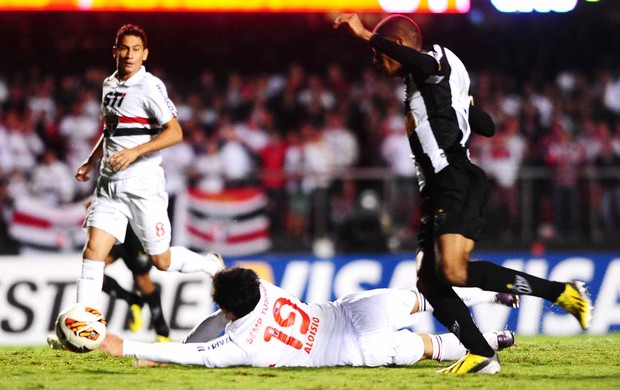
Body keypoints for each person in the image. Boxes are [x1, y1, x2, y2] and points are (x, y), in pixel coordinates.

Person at [333, 14, 592, 374]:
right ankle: (481, 353)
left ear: (402, 45)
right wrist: (462, 105)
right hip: (439, 187)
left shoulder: (434, 58)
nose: (376, 59)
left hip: (453, 179)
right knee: (429, 281)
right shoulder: (438, 83)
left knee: (453, 271)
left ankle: (562, 292)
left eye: (382, 51)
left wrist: (365, 34)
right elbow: (487, 125)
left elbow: (423, 63)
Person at [71, 24, 224, 309]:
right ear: (115, 51)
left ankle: (208, 264)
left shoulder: (150, 86)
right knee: (93, 252)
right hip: (109, 184)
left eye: (136, 49)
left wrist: (135, 152)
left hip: (142, 185)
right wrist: (91, 161)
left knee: (161, 260)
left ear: (145, 54)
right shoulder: (109, 84)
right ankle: (84, 321)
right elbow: (111, 130)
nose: (130, 54)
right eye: (125, 48)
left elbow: (174, 132)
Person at [100, 267, 515, 368]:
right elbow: (215, 322)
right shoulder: (265, 288)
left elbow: (202, 352)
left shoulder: (241, 342)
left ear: (230, 309)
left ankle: (495, 341)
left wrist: (132, 349)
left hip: (357, 349)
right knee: (426, 298)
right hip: (353, 310)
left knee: (430, 346)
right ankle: (493, 291)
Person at [103, 224, 171, 342]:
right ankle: (132, 300)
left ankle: (162, 333)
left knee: (142, 281)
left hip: (134, 231)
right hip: (112, 226)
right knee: (93, 270)